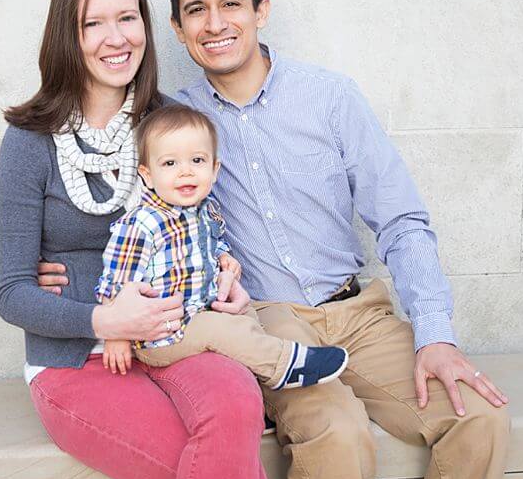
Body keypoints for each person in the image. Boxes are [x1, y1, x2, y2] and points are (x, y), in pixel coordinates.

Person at [41, 0, 511, 479]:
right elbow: (123, 205)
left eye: (231, 4)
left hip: (360, 311)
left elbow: (402, 220)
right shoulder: (170, 121)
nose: (215, 24)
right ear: (176, 27)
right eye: (196, 10)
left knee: (481, 415)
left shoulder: (330, 97)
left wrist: (436, 336)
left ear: (261, 11)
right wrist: (65, 275)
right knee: (337, 431)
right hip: (267, 322)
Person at [0, 0, 268, 479]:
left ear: (145, 24)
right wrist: (102, 319)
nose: (114, 38)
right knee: (195, 468)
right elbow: (12, 293)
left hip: (178, 335)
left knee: (236, 403)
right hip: (79, 357)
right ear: (65, 37)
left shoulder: (168, 125)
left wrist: (229, 285)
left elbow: (205, 231)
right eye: (91, 23)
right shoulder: (29, 141)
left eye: (126, 18)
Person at [96, 102, 349, 391]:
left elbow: (210, 243)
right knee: (222, 330)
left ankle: (261, 389)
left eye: (197, 161)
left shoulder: (205, 209)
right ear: (147, 175)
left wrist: (224, 257)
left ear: (214, 169)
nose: (186, 172)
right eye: (170, 163)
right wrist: (116, 335)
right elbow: (115, 284)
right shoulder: (143, 224)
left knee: (245, 316)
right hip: (162, 334)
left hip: (201, 310)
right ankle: (285, 366)